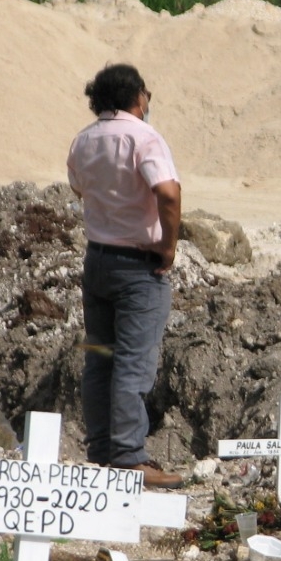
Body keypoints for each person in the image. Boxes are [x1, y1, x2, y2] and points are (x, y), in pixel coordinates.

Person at [67, 63, 183, 488]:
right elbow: (168, 192)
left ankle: (101, 450)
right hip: (138, 264)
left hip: (97, 260)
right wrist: (168, 244)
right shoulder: (144, 137)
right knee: (134, 362)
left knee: (99, 360)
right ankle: (131, 457)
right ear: (137, 97)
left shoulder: (83, 140)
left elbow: (79, 188)